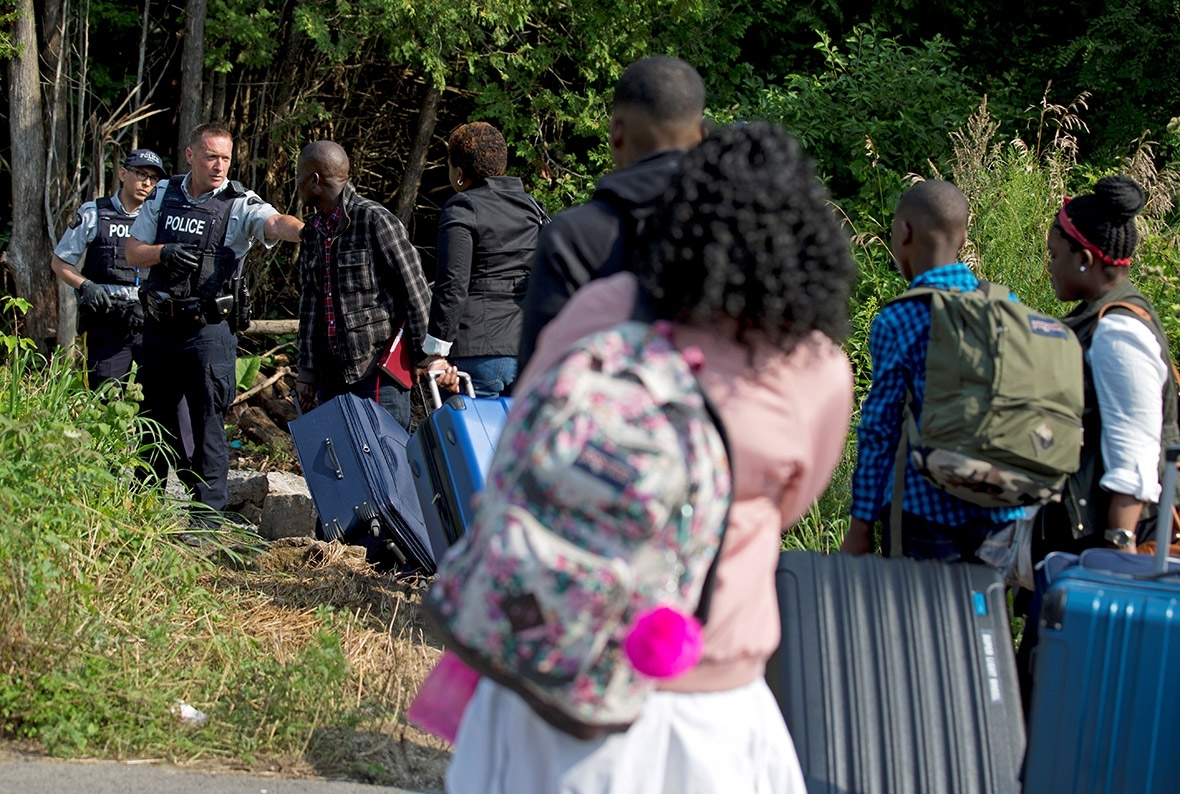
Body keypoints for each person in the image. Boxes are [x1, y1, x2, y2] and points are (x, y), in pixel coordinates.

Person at [444, 122, 856, 794]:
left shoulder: (605, 310)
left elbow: (526, 439)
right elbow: (787, 510)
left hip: (560, 680)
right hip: (709, 702)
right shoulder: (816, 369)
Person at [126, 123, 304, 523]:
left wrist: (307, 232)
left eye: (225, 157)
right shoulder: (164, 193)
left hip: (208, 331)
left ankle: (206, 519)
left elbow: (274, 223)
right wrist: (164, 252)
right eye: (211, 157)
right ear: (191, 155)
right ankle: (145, 508)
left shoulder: (238, 202)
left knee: (208, 422)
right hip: (160, 325)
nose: (219, 165)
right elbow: (134, 253)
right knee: (152, 418)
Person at [841, 180, 1026, 562]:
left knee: (922, 618)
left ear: (903, 233)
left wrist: (861, 525)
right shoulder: (1007, 304)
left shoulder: (900, 317)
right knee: (985, 615)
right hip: (1004, 510)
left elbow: (880, 428)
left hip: (924, 511)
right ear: (962, 237)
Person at [516, 54, 707, 371]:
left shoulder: (573, 236)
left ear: (617, 132)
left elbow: (538, 375)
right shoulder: (740, 226)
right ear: (701, 136)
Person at [1035, 174, 1180, 557]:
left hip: (1115, 548)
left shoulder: (1119, 333)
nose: (1049, 267)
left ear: (1083, 260)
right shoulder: (1101, 318)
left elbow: (1134, 452)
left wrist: (1119, 553)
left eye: (1054, 255)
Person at [293, 140, 438, 431]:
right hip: (330, 376)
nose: (297, 185)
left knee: (388, 465)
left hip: (378, 372)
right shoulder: (312, 233)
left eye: (299, 177)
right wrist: (306, 372)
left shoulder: (375, 220)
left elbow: (416, 289)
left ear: (315, 180)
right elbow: (310, 308)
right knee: (344, 469)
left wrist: (425, 356)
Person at [420, 122, 547, 398]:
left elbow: (453, 284)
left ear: (460, 173)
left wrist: (437, 351)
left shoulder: (462, 207)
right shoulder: (532, 208)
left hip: (477, 352)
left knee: (475, 440)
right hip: (527, 351)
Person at [50, 149, 168, 388]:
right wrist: (86, 285)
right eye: (141, 174)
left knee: (158, 399)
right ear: (123, 173)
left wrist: (148, 302)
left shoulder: (162, 219)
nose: (147, 182)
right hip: (106, 321)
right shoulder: (94, 213)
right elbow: (60, 261)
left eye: (153, 179)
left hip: (149, 320)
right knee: (104, 397)